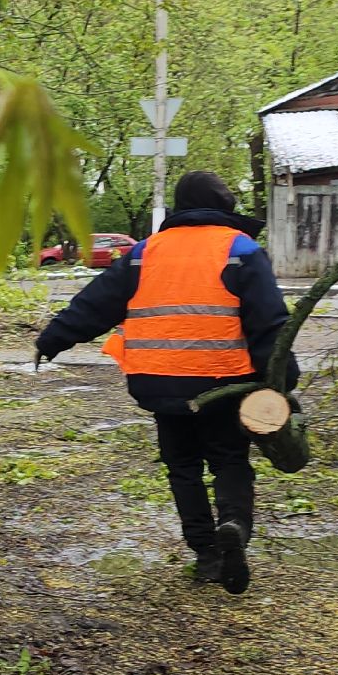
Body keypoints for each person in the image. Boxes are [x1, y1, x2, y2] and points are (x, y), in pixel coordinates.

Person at [34, 172, 294, 594]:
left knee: (182, 466)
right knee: (229, 460)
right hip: (223, 383)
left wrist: (52, 339)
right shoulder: (241, 250)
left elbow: (95, 304)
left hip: (160, 382)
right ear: (224, 209)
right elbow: (269, 323)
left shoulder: (144, 252)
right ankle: (234, 526)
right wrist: (283, 379)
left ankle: (206, 553)